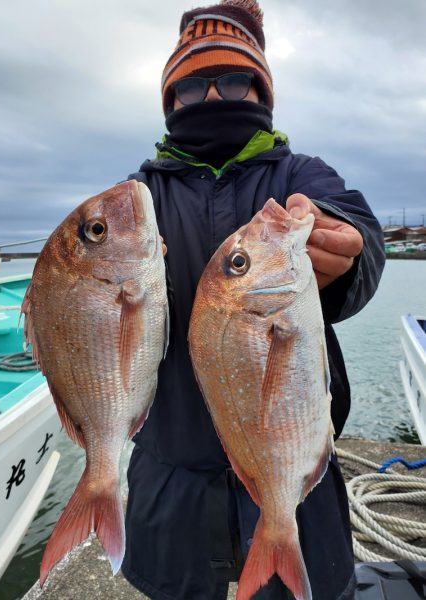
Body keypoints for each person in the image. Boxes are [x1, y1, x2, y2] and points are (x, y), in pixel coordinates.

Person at [120, 1, 385, 598]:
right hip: (172, 492)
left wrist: (340, 252)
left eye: (235, 80)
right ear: (169, 102)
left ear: (262, 89)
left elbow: (360, 237)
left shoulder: (300, 174)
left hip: (299, 479)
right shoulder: (138, 199)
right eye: (192, 88)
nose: (215, 98)